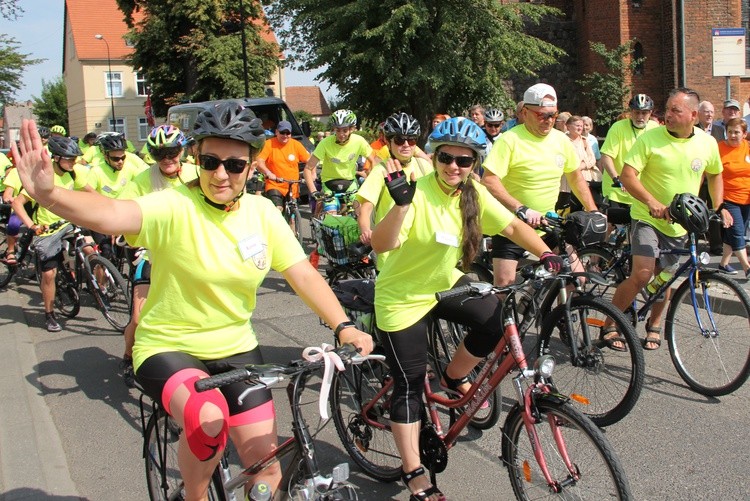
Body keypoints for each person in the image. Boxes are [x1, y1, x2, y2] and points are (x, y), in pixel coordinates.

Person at [11, 102, 373, 500]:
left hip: (236, 348)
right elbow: (110, 213)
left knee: (265, 466)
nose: (221, 175)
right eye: (210, 161)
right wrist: (48, 192)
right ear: (196, 159)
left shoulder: (263, 213)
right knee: (209, 419)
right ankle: (194, 497)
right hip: (168, 346)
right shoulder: (173, 204)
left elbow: (302, 273)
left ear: (252, 166)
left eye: (234, 165)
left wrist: (344, 326)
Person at [370, 117, 562, 501]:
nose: (454, 167)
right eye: (446, 157)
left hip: (444, 283)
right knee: (408, 384)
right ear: (434, 155)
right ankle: (415, 473)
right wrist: (400, 205)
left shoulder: (472, 192)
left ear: (474, 163)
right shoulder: (413, 191)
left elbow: (510, 228)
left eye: (464, 160)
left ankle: (454, 375)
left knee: (495, 319)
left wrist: (546, 252)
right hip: (402, 295)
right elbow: (381, 244)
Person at [603, 88, 730, 351]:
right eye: (668, 109)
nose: (668, 114)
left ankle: (655, 324)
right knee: (643, 274)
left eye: (676, 110)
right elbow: (628, 176)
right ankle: (611, 323)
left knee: (667, 278)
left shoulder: (706, 143)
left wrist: (720, 207)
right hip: (646, 218)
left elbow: (715, 174)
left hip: (681, 222)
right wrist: (652, 203)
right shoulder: (650, 139)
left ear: (694, 116)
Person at [481, 83, 599, 288]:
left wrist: (593, 210)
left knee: (577, 278)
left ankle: (556, 318)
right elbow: (489, 180)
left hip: (547, 223)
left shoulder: (561, 141)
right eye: (542, 115)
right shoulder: (510, 140)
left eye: (553, 115)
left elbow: (575, 177)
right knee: (504, 287)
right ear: (525, 112)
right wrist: (520, 208)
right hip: (511, 225)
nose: (549, 121)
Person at [116, 124, 198, 387]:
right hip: (151, 254)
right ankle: (129, 357)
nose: (167, 158)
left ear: (182, 150)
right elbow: (123, 211)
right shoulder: (143, 179)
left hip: (189, 254)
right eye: (159, 153)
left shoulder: (197, 173)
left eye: (172, 151)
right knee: (139, 318)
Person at [10, 136, 90, 332]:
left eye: (74, 159)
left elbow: (90, 193)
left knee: (89, 248)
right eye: (68, 159)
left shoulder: (74, 173)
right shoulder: (42, 177)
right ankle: (50, 314)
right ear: (56, 158)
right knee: (49, 274)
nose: (73, 162)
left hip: (70, 223)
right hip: (48, 229)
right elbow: (17, 203)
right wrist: (31, 225)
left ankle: (100, 287)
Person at [356, 112, 433, 253]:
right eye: (399, 140)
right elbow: (365, 208)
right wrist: (366, 231)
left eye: (411, 140)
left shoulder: (424, 166)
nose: (406, 145)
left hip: (420, 248)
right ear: (388, 142)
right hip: (391, 251)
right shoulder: (381, 171)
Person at [85, 132, 149, 261]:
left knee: (136, 249)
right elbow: (88, 195)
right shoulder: (96, 171)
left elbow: (145, 184)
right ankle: (101, 280)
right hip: (102, 216)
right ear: (105, 156)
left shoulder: (129, 168)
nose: (120, 162)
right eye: (115, 159)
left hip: (123, 215)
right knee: (106, 253)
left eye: (123, 157)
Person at [600, 93, 659, 208]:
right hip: (617, 191)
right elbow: (606, 156)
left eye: (644, 113)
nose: (640, 116)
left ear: (650, 113)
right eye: (636, 112)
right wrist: (616, 178)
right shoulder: (618, 127)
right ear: (631, 112)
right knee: (614, 224)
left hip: (642, 192)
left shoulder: (655, 128)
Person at [302, 109, 379, 197]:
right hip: (329, 183)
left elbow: (373, 161)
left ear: (351, 129)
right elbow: (307, 169)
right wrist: (313, 191)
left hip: (349, 182)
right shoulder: (325, 143)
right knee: (329, 209)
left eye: (345, 130)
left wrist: (372, 182)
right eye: (337, 130)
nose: (341, 134)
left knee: (358, 208)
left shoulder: (359, 141)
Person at [255, 120, 311, 222]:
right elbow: (259, 161)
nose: (285, 135)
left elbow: (310, 161)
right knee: (278, 209)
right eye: (282, 132)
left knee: (293, 218)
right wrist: (268, 173)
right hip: (275, 184)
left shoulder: (296, 145)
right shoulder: (268, 144)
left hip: (292, 185)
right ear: (276, 132)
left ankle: (294, 235)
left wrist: (312, 174)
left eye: (288, 133)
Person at [716, 118, 750, 278]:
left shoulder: (748, 148)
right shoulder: (719, 149)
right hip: (728, 198)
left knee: (734, 232)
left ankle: (723, 264)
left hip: (747, 199)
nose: (733, 135)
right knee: (737, 233)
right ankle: (747, 268)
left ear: (744, 134)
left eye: (737, 132)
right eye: (730, 131)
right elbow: (712, 175)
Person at [567, 115, 602, 209]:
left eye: (581, 126)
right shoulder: (563, 140)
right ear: (568, 126)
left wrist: (582, 165)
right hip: (568, 181)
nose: (580, 128)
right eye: (577, 125)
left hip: (586, 179)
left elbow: (592, 159)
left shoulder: (584, 140)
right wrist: (574, 166)